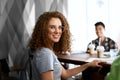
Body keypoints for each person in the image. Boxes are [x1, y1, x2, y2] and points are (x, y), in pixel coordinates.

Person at [29, 11, 104, 80]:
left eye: (60, 27)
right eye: (52, 27)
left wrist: (88, 64)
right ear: (43, 30)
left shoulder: (46, 51)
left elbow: (65, 74)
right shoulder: (45, 53)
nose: (57, 31)